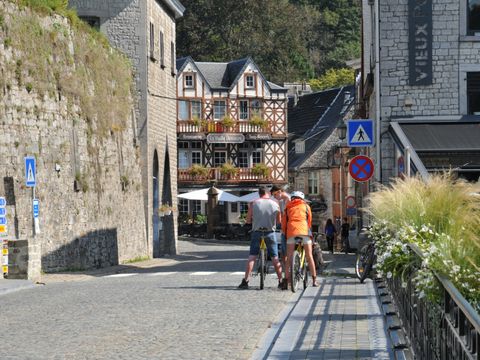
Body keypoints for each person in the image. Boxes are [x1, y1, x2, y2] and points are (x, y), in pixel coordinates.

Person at [238, 186, 286, 290]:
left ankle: (246, 281)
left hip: (257, 232)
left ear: (259, 194)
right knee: (275, 257)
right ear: (268, 193)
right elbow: (279, 221)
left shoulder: (253, 203)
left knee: (252, 257)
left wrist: (251, 221)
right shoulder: (275, 204)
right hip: (270, 232)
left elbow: (248, 220)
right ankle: (281, 281)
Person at [282, 191, 319, 288]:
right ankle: (314, 280)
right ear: (302, 199)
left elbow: (284, 223)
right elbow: (309, 221)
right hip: (304, 232)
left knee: (289, 257)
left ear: (292, 198)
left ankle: (286, 281)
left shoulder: (288, 207)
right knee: (309, 256)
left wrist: (285, 232)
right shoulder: (306, 206)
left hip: (291, 232)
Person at [270, 185, 290, 277]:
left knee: (287, 252)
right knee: (283, 253)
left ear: (279, 192)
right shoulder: (281, 201)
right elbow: (281, 216)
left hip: (290, 229)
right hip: (284, 229)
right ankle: (287, 274)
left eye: (274, 195)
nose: (274, 197)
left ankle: (288, 273)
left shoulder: (289, 199)